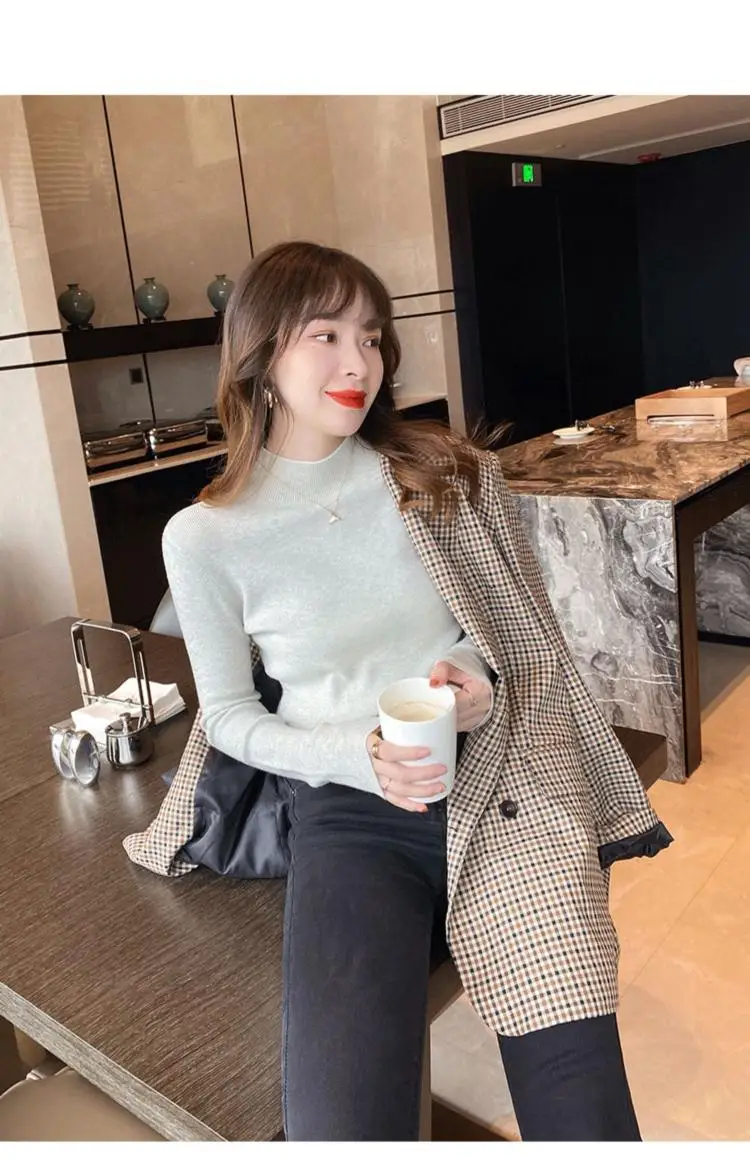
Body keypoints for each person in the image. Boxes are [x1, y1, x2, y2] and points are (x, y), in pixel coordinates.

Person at [161, 240, 671, 1142]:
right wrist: (354, 754)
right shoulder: (205, 538)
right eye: (325, 335)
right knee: (343, 1121)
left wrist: (473, 671)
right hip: (348, 809)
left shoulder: (437, 473)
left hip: (499, 774)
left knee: (579, 1098)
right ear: (262, 356)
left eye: (372, 336)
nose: (359, 362)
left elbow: (505, 622)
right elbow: (231, 717)